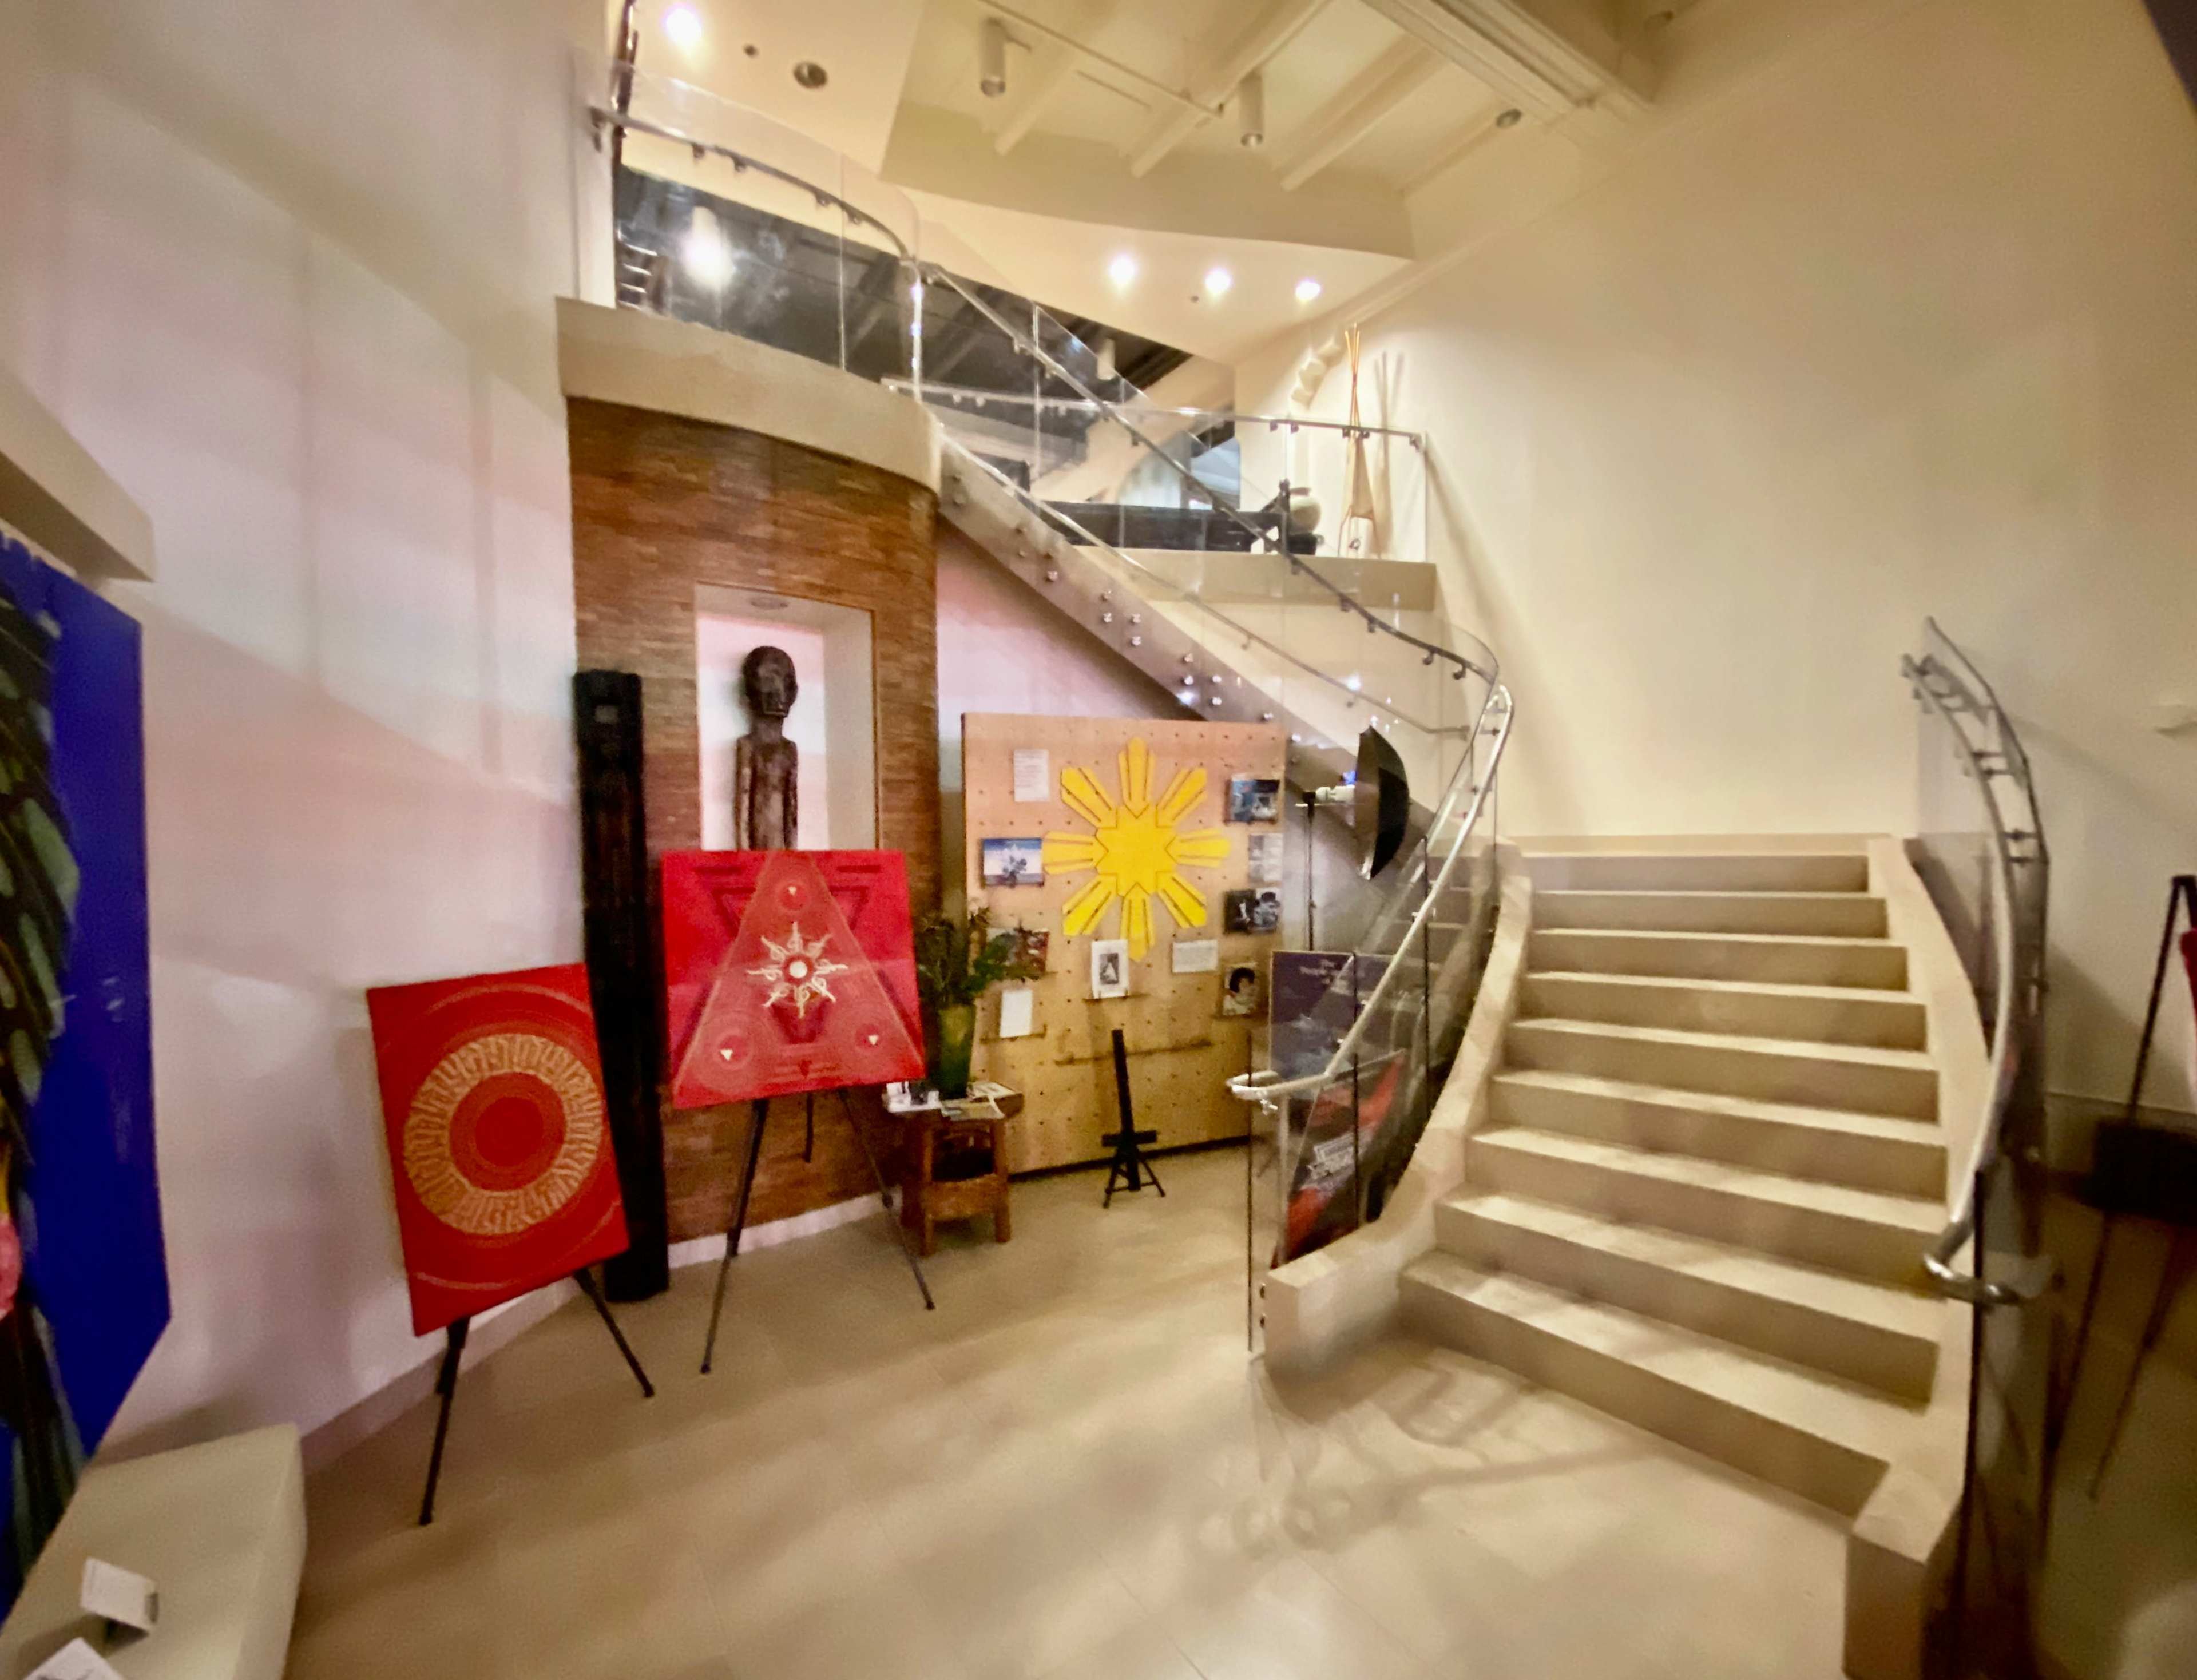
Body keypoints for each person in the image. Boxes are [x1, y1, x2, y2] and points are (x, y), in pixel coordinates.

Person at [733, 646, 799, 849]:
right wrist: (744, 856)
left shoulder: (789, 749)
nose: (778, 693)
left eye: (784, 682)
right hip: (758, 840)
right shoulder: (748, 746)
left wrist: (793, 854)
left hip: (780, 844)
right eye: (769, 681)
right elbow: (743, 805)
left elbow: (792, 808)